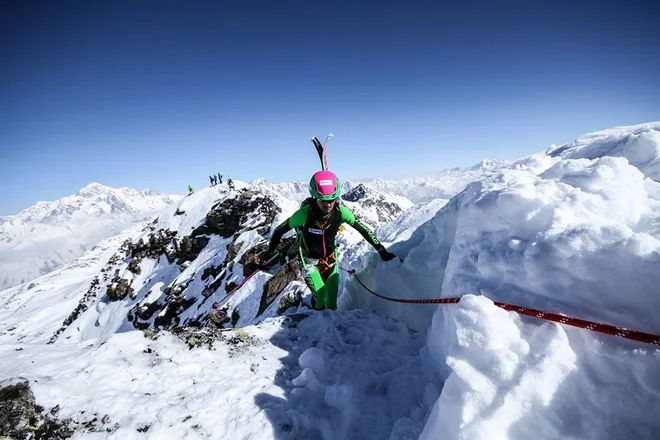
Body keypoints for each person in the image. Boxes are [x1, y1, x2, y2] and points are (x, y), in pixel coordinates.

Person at [262, 170, 396, 310]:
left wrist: (381, 250)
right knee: (321, 296)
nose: (328, 205)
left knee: (332, 305)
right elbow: (279, 230)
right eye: (323, 201)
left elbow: (362, 229)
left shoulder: (340, 212)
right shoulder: (304, 215)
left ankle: (325, 325)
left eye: (332, 200)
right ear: (315, 198)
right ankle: (314, 314)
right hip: (309, 263)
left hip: (330, 261)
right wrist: (269, 251)